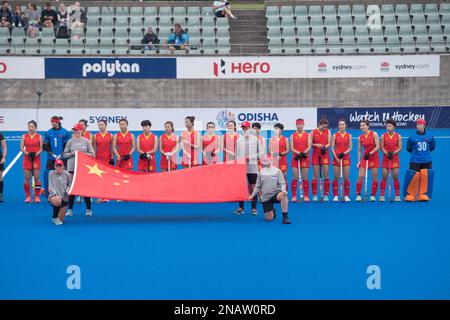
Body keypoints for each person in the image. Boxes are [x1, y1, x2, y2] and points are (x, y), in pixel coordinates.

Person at [63, 123, 95, 217]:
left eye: (77, 130)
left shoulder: (86, 141)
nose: (75, 132)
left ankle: (88, 209)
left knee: (85, 189)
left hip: (83, 169)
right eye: (74, 130)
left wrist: (82, 154)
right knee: (72, 188)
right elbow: (65, 155)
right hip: (72, 168)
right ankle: (70, 210)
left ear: (81, 131)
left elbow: (92, 154)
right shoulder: (70, 141)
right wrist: (73, 153)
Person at [250, 154, 290, 224]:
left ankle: (285, 217)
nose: (266, 162)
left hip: (276, 194)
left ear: (271, 161)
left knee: (284, 195)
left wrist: (283, 190)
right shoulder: (261, 172)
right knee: (269, 218)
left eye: (267, 160)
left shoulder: (277, 171)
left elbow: (282, 183)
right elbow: (257, 186)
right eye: (264, 160)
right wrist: (252, 196)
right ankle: (272, 210)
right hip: (266, 197)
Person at [235, 121, 264, 215]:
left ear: (250, 128)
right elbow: (236, 155)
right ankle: (241, 207)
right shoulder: (239, 140)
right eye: (243, 128)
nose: (245, 129)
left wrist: (251, 157)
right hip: (241, 167)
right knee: (241, 186)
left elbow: (262, 153)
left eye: (246, 128)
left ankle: (254, 208)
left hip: (252, 166)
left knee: (253, 186)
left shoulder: (255, 140)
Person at [404, 118, 436, 202]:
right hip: (415, 160)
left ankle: (423, 194)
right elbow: (408, 148)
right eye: (418, 125)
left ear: (424, 126)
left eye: (420, 125)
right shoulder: (412, 137)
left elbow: (432, 147)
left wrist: (425, 154)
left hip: (427, 160)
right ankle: (411, 194)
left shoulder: (430, 136)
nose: (419, 126)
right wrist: (416, 154)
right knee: (414, 177)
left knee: (425, 177)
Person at [43, 116, 70, 196]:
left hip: (62, 158)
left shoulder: (65, 132)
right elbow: (45, 146)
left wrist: (61, 155)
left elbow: (67, 145)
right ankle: (49, 194)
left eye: (54, 122)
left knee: (64, 175)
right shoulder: (48, 132)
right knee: (49, 174)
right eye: (51, 122)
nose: (52, 123)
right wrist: (52, 154)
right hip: (51, 158)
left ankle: (65, 193)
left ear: (58, 122)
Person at [356, 120, 380, 202]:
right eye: (361, 126)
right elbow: (359, 150)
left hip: (374, 158)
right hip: (365, 158)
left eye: (363, 125)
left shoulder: (374, 134)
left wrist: (370, 153)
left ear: (368, 126)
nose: (362, 127)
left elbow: (378, 146)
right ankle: (358, 195)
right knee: (360, 176)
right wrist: (359, 161)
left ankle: (373, 195)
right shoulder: (360, 137)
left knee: (374, 177)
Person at [380, 119, 402, 202]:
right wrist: (387, 153)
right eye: (387, 126)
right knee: (384, 176)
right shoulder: (383, 136)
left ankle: (397, 196)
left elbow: (400, 147)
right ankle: (382, 195)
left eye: (390, 126)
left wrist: (393, 153)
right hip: (386, 158)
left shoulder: (398, 136)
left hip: (394, 158)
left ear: (394, 127)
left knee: (395, 176)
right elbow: (381, 147)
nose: (388, 127)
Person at [21, 120, 43, 203]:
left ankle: (37, 195)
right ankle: (28, 196)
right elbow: (21, 148)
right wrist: (28, 154)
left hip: (36, 159)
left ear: (35, 127)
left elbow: (41, 148)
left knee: (37, 178)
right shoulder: (24, 136)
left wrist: (36, 154)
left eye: (32, 127)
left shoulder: (39, 136)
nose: (30, 128)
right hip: (27, 159)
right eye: (29, 126)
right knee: (27, 178)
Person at [290, 118, 311, 202]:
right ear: (296, 125)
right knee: (295, 177)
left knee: (305, 177)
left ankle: (306, 195)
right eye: (298, 124)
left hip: (304, 158)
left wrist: (303, 153)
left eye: (300, 124)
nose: (299, 126)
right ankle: (294, 195)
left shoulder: (308, 135)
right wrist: (298, 153)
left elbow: (309, 146)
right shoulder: (292, 135)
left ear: (303, 125)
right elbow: (292, 148)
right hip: (296, 158)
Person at [330, 119, 352, 202]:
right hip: (336, 158)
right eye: (340, 125)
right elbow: (332, 147)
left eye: (343, 124)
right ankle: (335, 195)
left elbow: (350, 147)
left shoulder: (349, 135)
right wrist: (336, 157)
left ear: (345, 125)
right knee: (336, 177)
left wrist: (344, 153)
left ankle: (346, 196)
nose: (341, 126)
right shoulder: (335, 135)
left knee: (346, 177)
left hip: (345, 158)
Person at [311, 117, 331, 201]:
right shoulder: (313, 132)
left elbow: (329, 143)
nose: (324, 128)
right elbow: (310, 144)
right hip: (316, 154)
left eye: (325, 127)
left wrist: (324, 147)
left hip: (325, 154)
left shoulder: (328, 131)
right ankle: (315, 195)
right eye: (323, 127)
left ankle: (326, 195)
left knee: (326, 174)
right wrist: (316, 145)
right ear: (319, 124)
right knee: (315, 175)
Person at [48, 159, 71, 226]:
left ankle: (56, 217)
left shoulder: (67, 174)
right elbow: (50, 185)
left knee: (61, 220)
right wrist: (55, 194)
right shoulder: (51, 173)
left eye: (60, 166)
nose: (58, 168)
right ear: (54, 167)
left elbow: (69, 184)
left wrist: (68, 190)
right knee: (57, 201)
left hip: (64, 198)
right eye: (57, 166)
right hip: (54, 196)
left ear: (63, 167)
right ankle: (55, 217)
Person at [0, 131, 6, 202]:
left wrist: (4, 157)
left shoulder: (0, 135)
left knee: (0, 177)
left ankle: (0, 194)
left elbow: (4, 147)